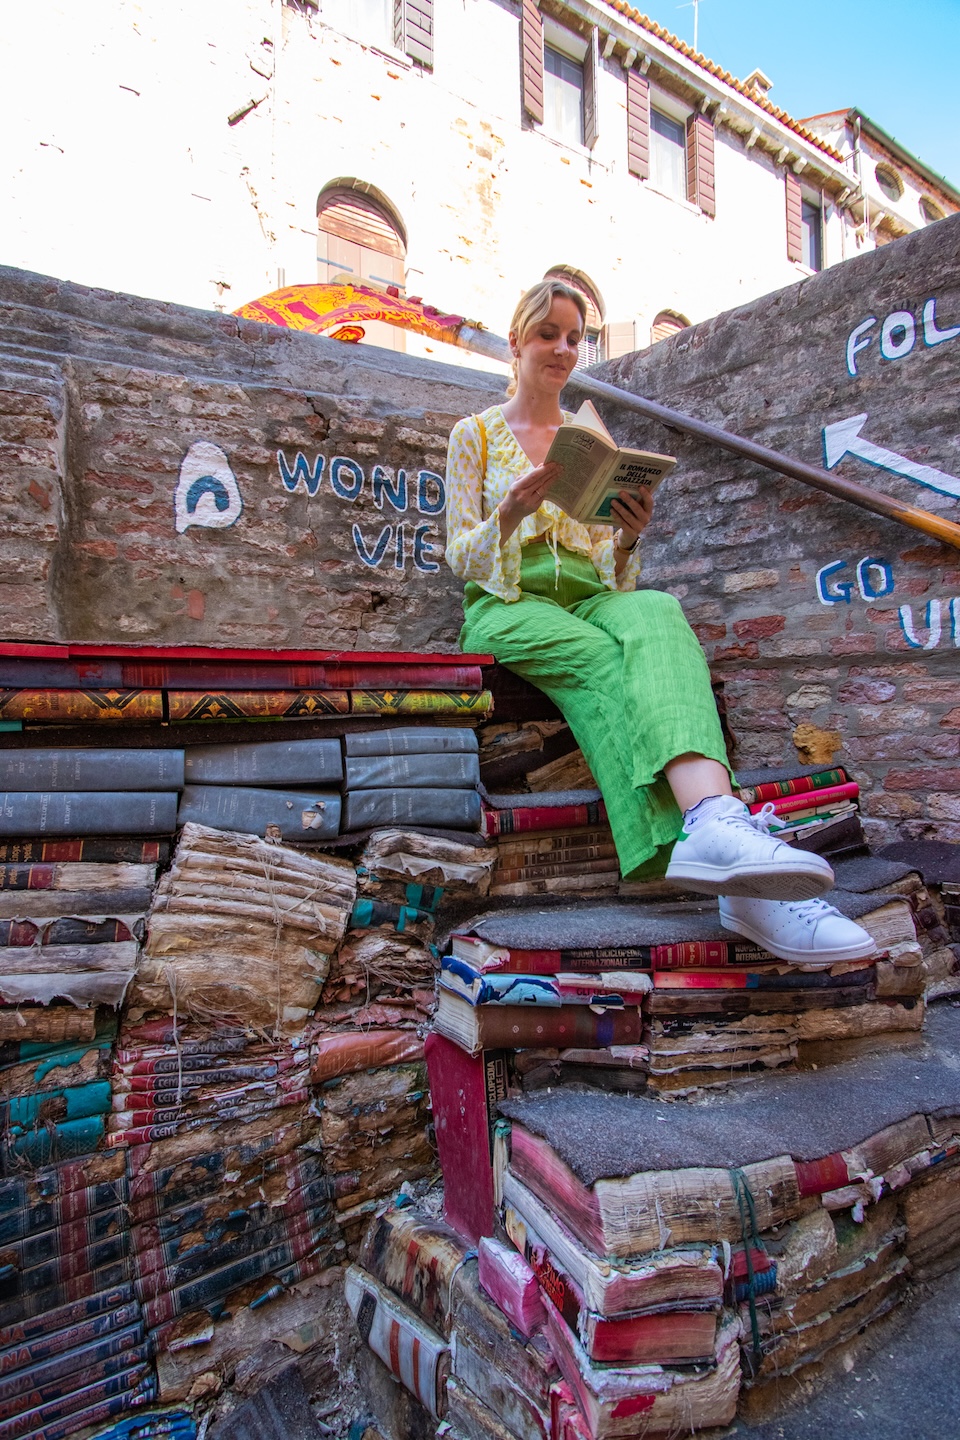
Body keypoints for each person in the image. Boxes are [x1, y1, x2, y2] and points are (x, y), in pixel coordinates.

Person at [444, 278, 874, 967]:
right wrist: (508, 516)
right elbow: (459, 557)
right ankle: (752, 892)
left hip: (591, 591)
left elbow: (617, 580)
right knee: (604, 660)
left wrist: (629, 538)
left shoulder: (587, 435)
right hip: (509, 604)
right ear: (518, 339)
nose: (562, 348)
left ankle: (715, 821)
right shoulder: (476, 435)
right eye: (548, 333)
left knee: (658, 610)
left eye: (574, 337)